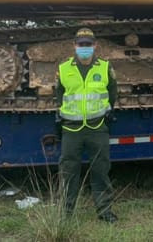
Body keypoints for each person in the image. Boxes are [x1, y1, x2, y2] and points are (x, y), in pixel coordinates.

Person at [56, 27, 118, 223]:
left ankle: (105, 211)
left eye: (88, 45)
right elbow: (59, 96)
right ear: (74, 46)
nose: (85, 48)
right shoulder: (63, 68)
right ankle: (65, 213)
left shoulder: (105, 67)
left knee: (100, 170)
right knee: (68, 171)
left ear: (95, 45)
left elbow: (112, 94)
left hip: (97, 127)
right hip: (71, 129)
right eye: (81, 44)